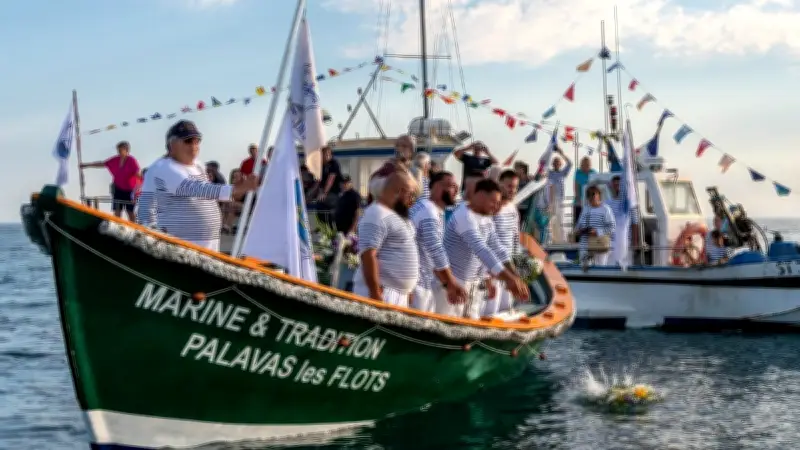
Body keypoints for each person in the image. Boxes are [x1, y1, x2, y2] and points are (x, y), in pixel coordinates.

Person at [137, 120, 258, 250]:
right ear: (172, 145)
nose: (194, 145)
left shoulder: (198, 165)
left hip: (206, 246)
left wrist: (239, 189)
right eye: (188, 141)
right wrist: (238, 188)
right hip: (177, 247)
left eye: (197, 141)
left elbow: (211, 195)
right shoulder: (163, 168)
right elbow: (196, 189)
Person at [439, 179, 528, 319]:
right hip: (454, 282)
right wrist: (509, 279)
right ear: (479, 196)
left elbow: (498, 249)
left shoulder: (487, 218)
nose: (497, 206)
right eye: (494, 201)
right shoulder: (463, 216)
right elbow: (481, 249)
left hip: (474, 285)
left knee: (471, 330)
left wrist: (515, 276)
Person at [352, 171, 420, 305]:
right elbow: (368, 255)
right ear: (399, 192)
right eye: (410, 195)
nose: (412, 201)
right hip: (383, 292)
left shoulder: (398, 216)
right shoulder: (376, 213)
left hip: (397, 294)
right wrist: (375, 293)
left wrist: (408, 290)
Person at [409, 171, 466, 312]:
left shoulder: (429, 209)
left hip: (422, 282)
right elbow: (435, 250)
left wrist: (447, 284)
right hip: (418, 284)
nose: (456, 191)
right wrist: (452, 283)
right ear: (436, 187)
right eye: (451, 186)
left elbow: (432, 257)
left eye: (456, 187)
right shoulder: (429, 212)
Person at [483, 170, 521, 316]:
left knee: (505, 309)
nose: (513, 190)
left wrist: (516, 264)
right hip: (493, 268)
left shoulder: (513, 208)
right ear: (500, 184)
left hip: (508, 266)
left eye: (515, 187)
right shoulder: (492, 209)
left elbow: (515, 238)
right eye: (509, 186)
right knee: (489, 311)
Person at [81, 140, 141, 221]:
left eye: (120, 150)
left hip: (129, 191)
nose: (118, 152)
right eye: (118, 150)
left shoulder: (132, 161)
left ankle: (134, 229)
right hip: (118, 189)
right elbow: (102, 163)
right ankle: (116, 226)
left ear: (126, 150)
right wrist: (86, 165)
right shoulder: (115, 159)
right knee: (117, 210)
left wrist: (137, 193)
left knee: (130, 211)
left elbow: (139, 176)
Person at [574, 185, 616, 268]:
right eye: (589, 194)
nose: (591, 196)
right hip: (585, 245)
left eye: (593, 194)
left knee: (600, 269)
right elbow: (579, 224)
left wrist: (597, 232)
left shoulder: (606, 209)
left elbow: (612, 227)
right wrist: (578, 230)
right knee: (584, 269)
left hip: (600, 245)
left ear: (599, 195)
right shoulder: (585, 209)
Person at [368, 135, 416, 203]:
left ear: (411, 150)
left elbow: (416, 192)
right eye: (397, 146)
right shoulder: (387, 168)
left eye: (404, 146)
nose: (399, 149)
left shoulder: (416, 171)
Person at [606, 175, 640, 265]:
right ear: (611, 186)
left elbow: (635, 223)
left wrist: (635, 243)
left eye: (619, 185)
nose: (617, 187)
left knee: (626, 267)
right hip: (610, 243)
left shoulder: (630, 204)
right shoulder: (606, 203)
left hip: (626, 243)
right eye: (615, 185)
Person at [542, 147, 573, 243]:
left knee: (561, 221)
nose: (556, 163)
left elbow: (570, 164)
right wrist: (550, 151)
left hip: (560, 200)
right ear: (552, 164)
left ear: (560, 164)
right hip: (550, 200)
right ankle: (549, 240)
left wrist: (561, 153)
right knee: (550, 221)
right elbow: (543, 165)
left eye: (558, 162)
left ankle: (562, 241)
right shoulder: (549, 173)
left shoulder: (563, 173)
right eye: (554, 162)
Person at [316, 146, 344, 211]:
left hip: (335, 192)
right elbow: (319, 180)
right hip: (325, 191)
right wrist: (320, 191)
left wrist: (324, 193)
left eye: (328, 154)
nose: (327, 156)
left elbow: (330, 180)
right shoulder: (321, 165)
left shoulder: (334, 163)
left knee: (324, 201)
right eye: (324, 154)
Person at [573, 156, 596, 224]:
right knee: (578, 224)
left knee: (590, 224)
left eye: (587, 164)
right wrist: (580, 199)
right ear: (581, 164)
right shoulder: (578, 172)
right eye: (584, 164)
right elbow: (576, 187)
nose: (586, 166)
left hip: (591, 202)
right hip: (579, 202)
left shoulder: (593, 172)